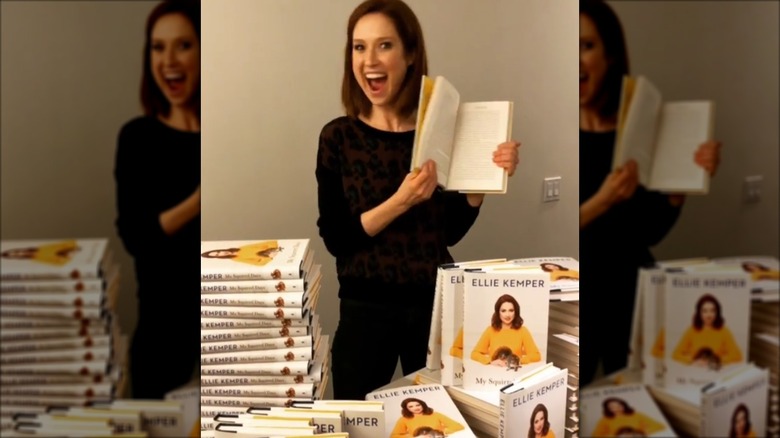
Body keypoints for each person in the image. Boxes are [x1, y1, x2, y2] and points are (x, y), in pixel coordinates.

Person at [316, 0, 520, 399]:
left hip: (433, 310)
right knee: (359, 425)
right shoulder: (337, 137)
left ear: (410, 55)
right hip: (363, 313)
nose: (369, 60)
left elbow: (450, 232)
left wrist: (482, 183)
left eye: (384, 45)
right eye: (359, 47)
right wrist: (401, 201)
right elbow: (337, 238)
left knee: (436, 423)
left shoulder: (438, 132)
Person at [578, 0, 722, 387]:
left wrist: (678, 189)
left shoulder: (633, 130)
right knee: (569, 409)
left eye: (587, 46)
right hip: (576, 293)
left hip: (632, 287)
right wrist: (602, 201)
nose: (576, 59)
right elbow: (549, 233)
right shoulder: (555, 131)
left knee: (630, 403)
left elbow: (649, 232)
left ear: (609, 55)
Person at [113, 0, 200, 399]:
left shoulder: (225, 134)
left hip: (227, 339)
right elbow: (137, 237)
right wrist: (200, 199)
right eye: (158, 46)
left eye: (183, 45)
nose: (169, 60)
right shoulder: (137, 137)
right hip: (159, 343)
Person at [671, 294, 742, 366]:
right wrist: (693, 361)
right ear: (699, 313)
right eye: (705, 311)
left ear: (717, 313)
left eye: (712, 310)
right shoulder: (691, 330)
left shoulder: (724, 331)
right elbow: (676, 354)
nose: (709, 315)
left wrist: (717, 361)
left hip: (716, 370)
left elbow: (737, 356)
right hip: (695, 370)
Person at [470, 294, 541, 366]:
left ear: (515, 312)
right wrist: (490, 361)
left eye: (511, 310)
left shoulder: (522, 331)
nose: (507, 315)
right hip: (493, 372)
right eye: (503, 311)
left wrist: (519, 361)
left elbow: (536, 355)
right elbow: (475, 354)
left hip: (514, 372)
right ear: (498, 312)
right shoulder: (490, 330)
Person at [591, 397, 666, 437]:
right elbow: (596, 435)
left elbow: (659, 425)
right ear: (608, 409)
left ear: (624, 405)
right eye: (613, 407)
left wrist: (641, 433)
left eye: (619, 405)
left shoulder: (637, 415)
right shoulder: (605, 420)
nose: (617, 408)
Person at [390, 398, 465, 438]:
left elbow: (458, 426)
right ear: (406, 409)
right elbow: (394, 436)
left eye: (418, 405)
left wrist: (441, 432)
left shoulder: (435, 414)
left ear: (422, 405)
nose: (416, 408)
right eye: (411, 406)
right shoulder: (404, 419)